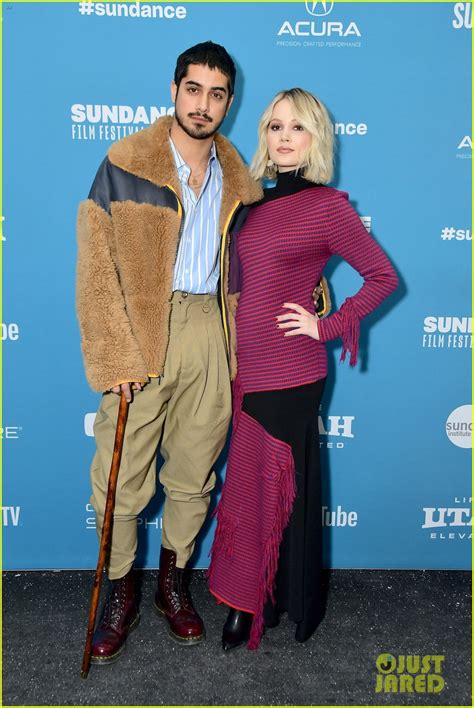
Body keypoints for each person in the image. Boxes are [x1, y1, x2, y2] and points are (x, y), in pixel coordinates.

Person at [76, 41, 263, 664]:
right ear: (174, 90)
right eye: (193, 89)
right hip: (143, 330)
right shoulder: (126, 162)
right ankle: (121, 590)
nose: (203, 104)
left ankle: (172, 586)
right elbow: (96, 266)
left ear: (228, 103)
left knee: (192, 476)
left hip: (212, 329)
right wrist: (113, 353)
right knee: (120, 479)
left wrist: (308, 292)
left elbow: (263, 266)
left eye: (216, 94)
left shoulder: (244, 183)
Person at [208, 88, 399, 651]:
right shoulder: (249, 204)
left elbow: (383, 278)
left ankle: (258, 604)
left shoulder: (328, 207)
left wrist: (327, 325)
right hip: (245, 366)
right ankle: (261, 594)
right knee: (249, 485)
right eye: (274, 126)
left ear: (316, 138)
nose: (284, 137)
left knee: (271, 485)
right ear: (264, 136)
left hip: (292, 370)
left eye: (297, 128)